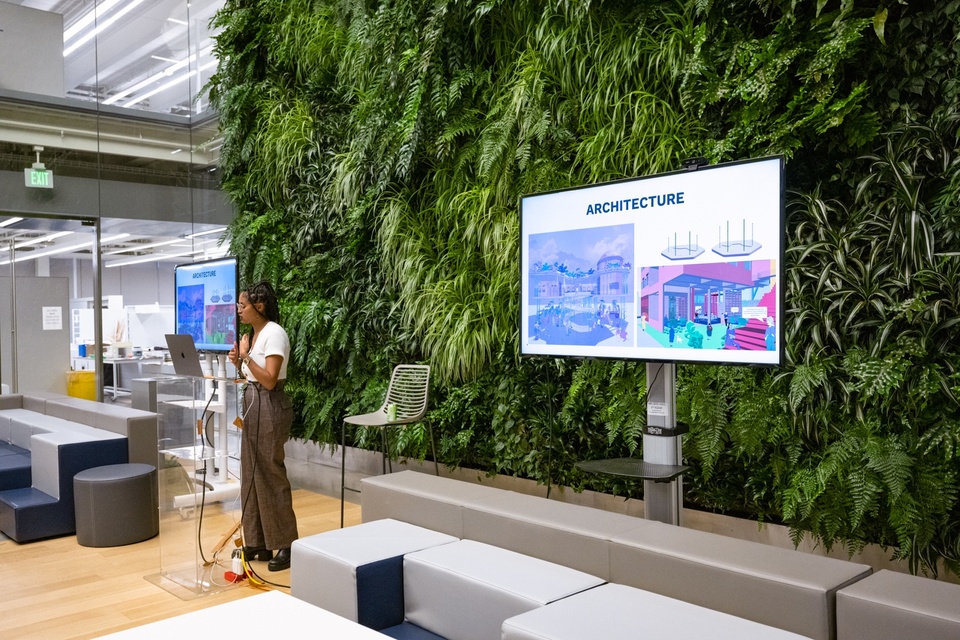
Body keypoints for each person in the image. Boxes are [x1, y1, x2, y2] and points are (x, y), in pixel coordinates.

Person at [229, 280, 298, 571]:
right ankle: (258, 541)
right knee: (251, 472)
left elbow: (269, 379)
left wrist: (245, 357)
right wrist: (238, 363)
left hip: (270, 404)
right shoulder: (253, 335)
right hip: (253, 404)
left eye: (242, 305)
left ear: (259, 307)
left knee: (270, 473)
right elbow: (253, 376)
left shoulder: (274, 334)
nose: (238, 310)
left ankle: (285, 544)